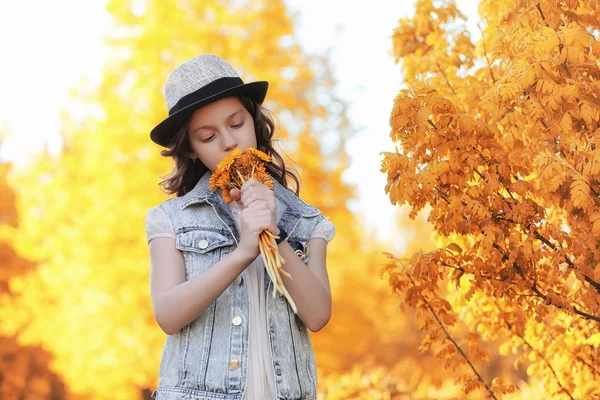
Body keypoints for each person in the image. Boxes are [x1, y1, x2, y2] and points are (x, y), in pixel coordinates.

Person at [145, 53, 336, 400]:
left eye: (237, 124)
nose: (229, 142)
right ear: (190, 150)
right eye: (208, 136)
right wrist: (244, 252)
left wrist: (272, 234)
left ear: (255, 121)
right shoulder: (171, 219)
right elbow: (168, 315)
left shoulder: (305, 218)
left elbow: (318, 314)